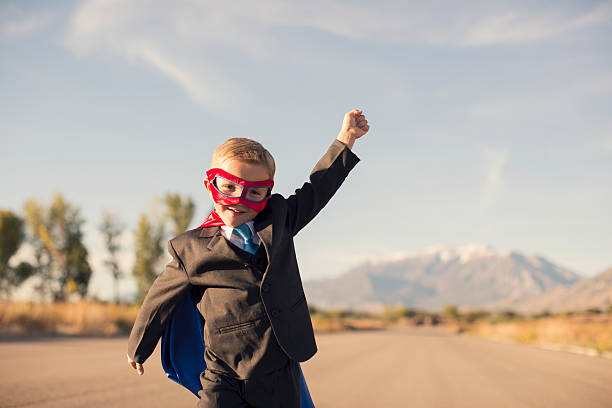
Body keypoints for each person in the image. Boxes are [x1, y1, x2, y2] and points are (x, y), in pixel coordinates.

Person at [127, 109, 370, 407]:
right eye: (229, 187)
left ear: (267, 193)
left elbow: (316, 190)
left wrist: (346, 139)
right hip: (222, 371)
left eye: (254, 192)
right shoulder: (189, 248)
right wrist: (139, 346)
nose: (240, 201)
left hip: (278, 367)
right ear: (210, 186)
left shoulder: (279, 220)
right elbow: (159, 298)